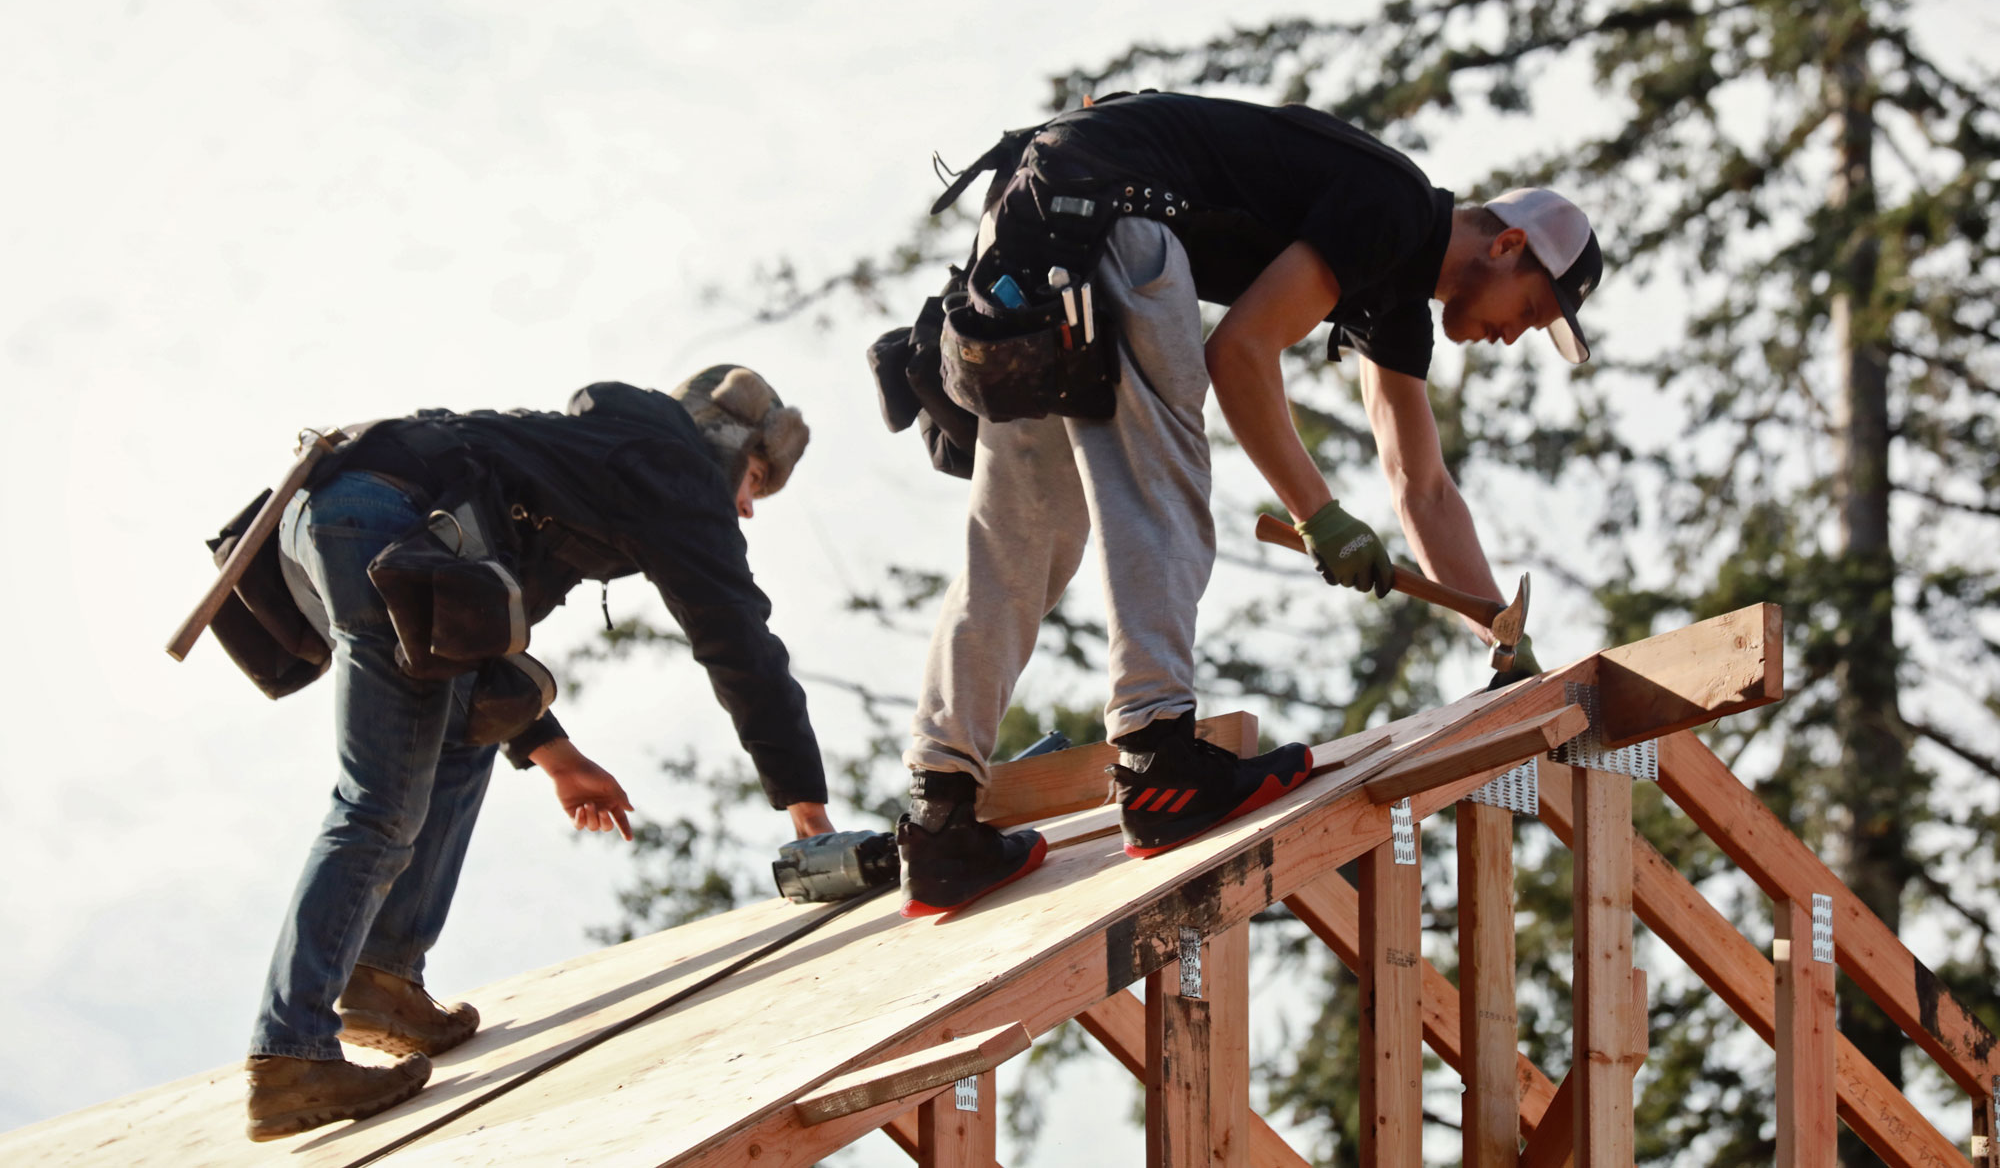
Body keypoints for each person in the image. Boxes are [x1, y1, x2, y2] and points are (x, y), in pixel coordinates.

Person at [887, 91, 1603, 916]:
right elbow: (1241, 352)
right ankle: (1158, 758)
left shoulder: (1397, 294)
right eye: (1533, 309)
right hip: (1115, 219)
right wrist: (1318, 512)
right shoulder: (1396, 207)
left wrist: (1498, 634)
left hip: (1034, 226)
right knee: (1161, 488)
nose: (1516, 335)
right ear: (1507, 245)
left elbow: (1423, 487)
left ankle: (939, 816)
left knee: (1023, 539)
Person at [239, 367, 830, 1141]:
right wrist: (809, 811)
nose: (748, 505)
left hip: (340, 512)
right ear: (725, 445)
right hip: (385, 522)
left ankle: (380, 978)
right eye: (754, 478)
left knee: (464, 727)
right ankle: (289, 1051)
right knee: (378, 801)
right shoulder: (674, 468)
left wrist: (555, 752)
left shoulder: (591, 456)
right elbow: (738, 641)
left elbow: (470, 637)